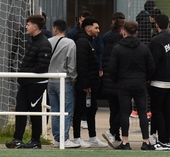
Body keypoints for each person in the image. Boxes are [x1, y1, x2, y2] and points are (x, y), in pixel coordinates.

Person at [6, 14, 53, 149]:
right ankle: (18, 138)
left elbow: (42, 66)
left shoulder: (44, 43)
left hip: (36, 85)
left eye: (28, 24)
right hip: (25, 83)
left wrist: (26, 73)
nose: (26, 27)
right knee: (20, 110)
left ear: (35, 26)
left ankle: (35, 141)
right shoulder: (31, 41)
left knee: (34, 112)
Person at [108, 20, 156, 150]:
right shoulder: (143, 48)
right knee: (142, 112)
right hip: (140, 83)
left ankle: (125, 141)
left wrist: (117, 80)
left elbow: (112, 68)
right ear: (137, 32)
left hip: (124, 83)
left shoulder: (118, 48)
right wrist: (147, 79)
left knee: (124, 113)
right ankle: (146, 141)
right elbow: (151, 67)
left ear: (124, 31)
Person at [148, 14, 170, 150]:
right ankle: (166, 138)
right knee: (167, 110)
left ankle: (162, 140)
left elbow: (152, 62)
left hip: (158, 81)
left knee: (157, 110)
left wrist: (148, 77)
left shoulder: (156, 41)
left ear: (156, 25)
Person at [73, 16, 105, 147]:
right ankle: (76, 137)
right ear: (88, 28)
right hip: (84, 85)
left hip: (91, 83)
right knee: (80, 110)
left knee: (92, 109)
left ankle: (92, 137)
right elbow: (82, 64)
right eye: (96, 27)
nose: (98, 30)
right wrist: (85, 84)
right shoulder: (82, 42)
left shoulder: (89, 41)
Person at [47, 19, 79, 148]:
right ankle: (64, 138)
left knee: (55, 111)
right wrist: (73, 78)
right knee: (66, 110)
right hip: (64, 80)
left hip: (50, 79)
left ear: (55, 29)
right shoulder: (70, 43)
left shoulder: (48, 42)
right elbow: (71, 64)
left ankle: (56, 138)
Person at [100, 13, 126, 148]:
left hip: (109, 80)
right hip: (118, 81)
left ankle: (115, 135)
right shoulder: (121, 43)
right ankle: (113, 132)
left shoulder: (107, 39)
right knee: (122, 109)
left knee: (114, 109)